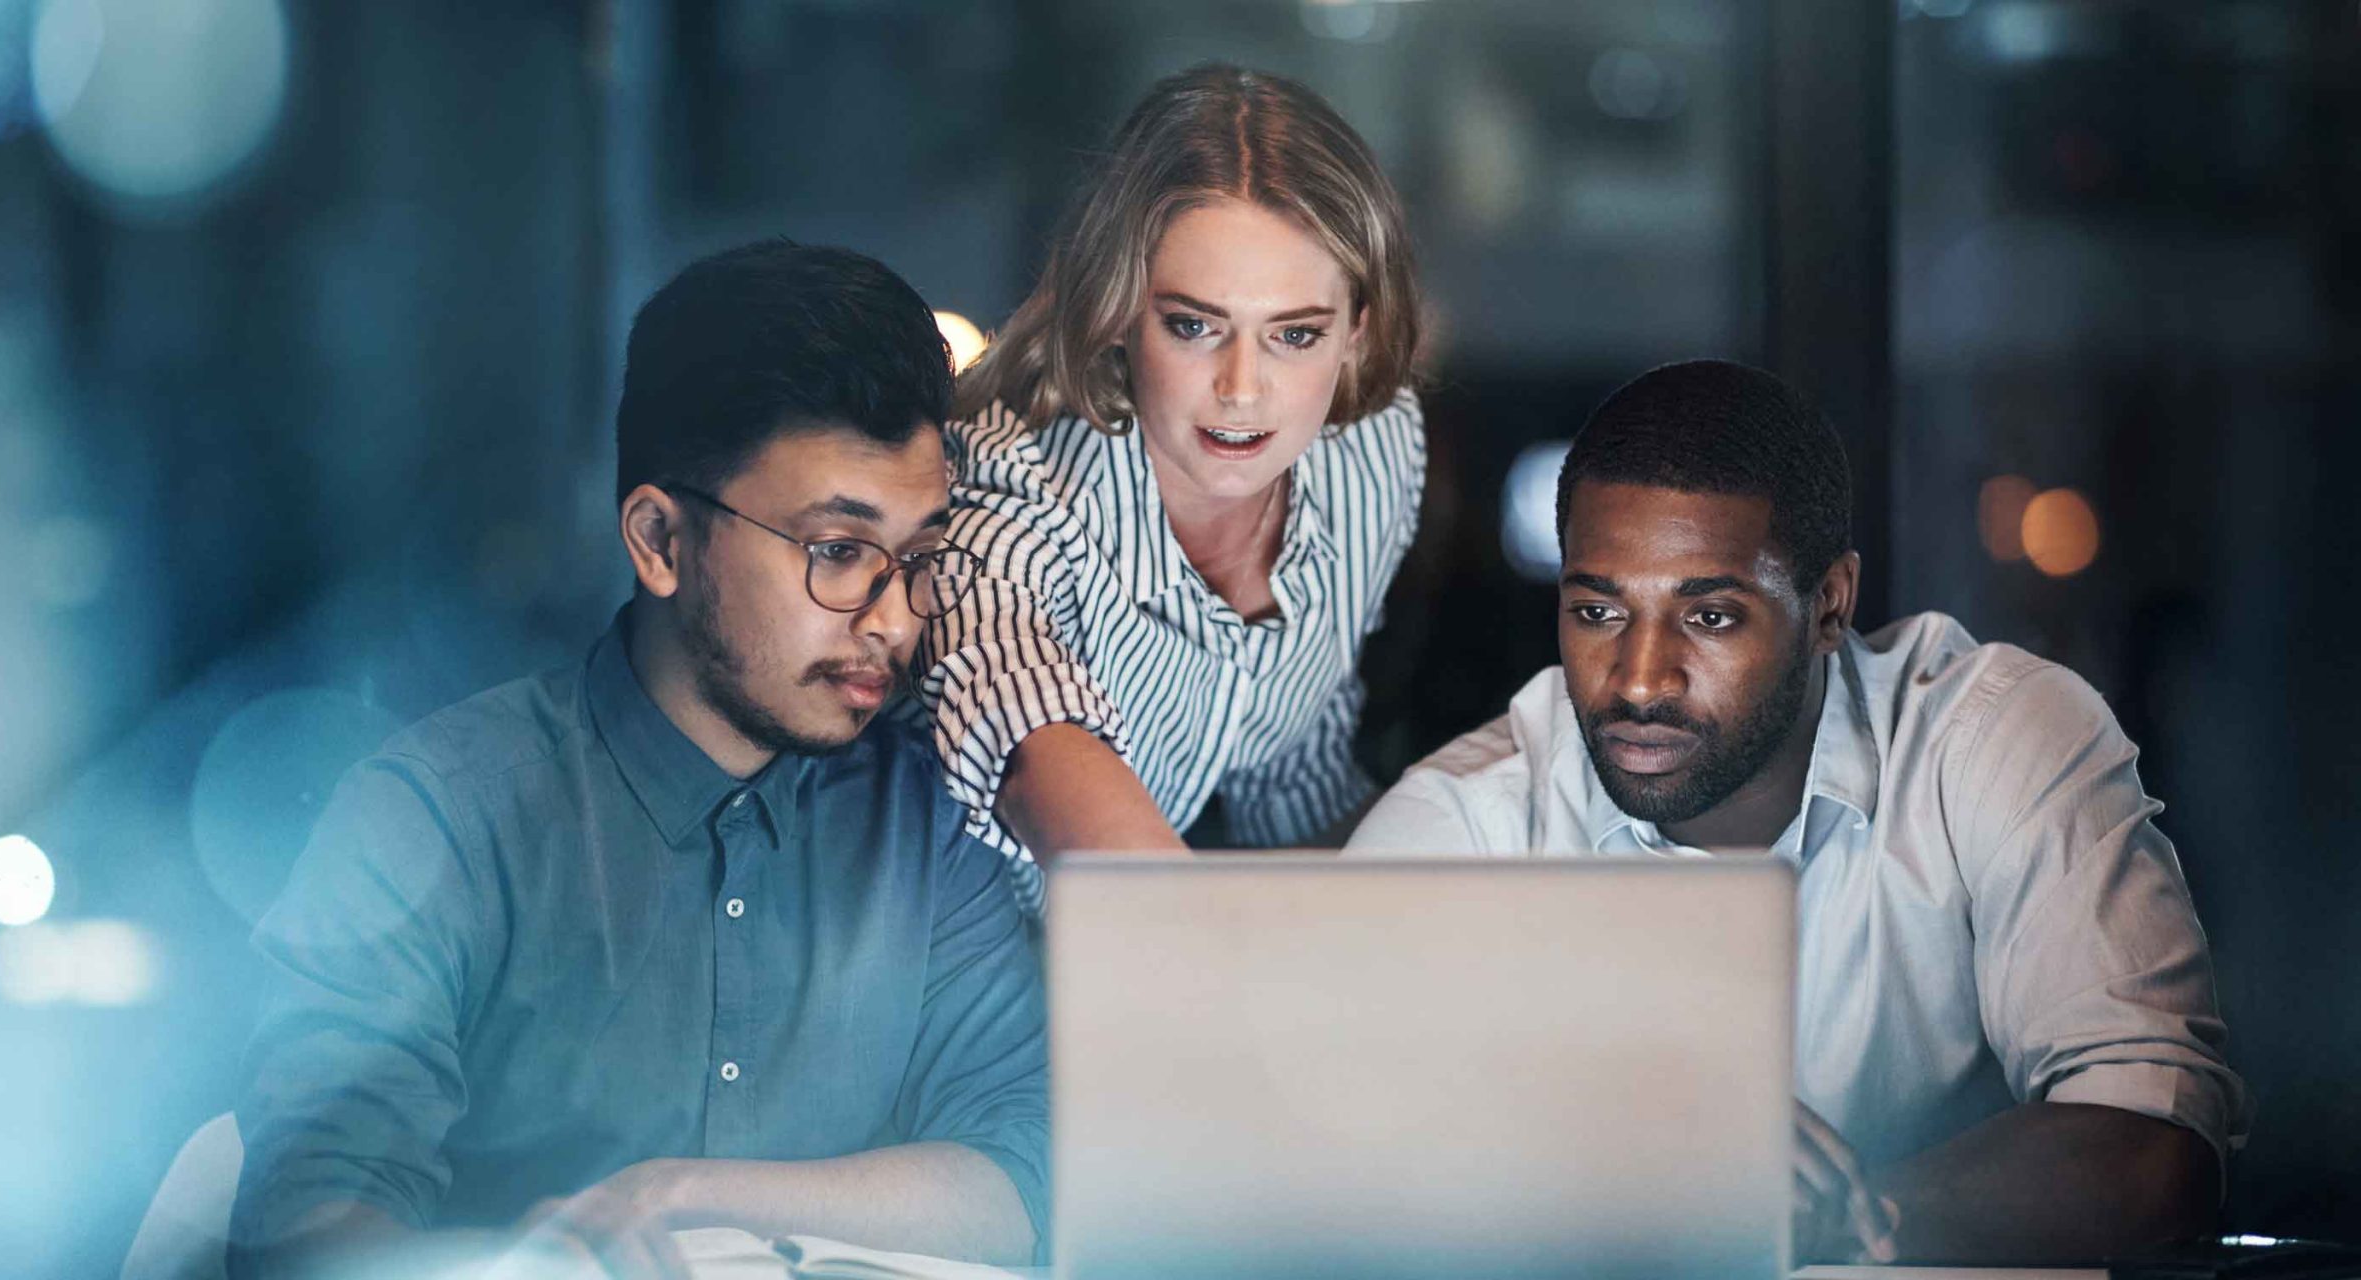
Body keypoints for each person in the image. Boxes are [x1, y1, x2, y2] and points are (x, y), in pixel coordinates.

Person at [228, 242, 1047, 1280]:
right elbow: (304, 1225)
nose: (893, 617)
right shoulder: (437, 820)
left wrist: (683, 1196)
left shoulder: (925, 822)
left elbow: (1024, 1179)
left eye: (920, 556)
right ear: (660, 538)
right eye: (838, 550)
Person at [1350, 360, 2246, 1265]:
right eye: (1597, 611)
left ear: (1829, 605)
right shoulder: (1459, 831)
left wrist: (1820, 1222)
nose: (1640, 679)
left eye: (1709, 619)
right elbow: (1311, 1175)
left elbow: (2157, 1143)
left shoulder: (1986, 744)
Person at [918, 63, 1428, 909]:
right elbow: (1026, 730)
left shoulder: (1370, 451)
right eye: (1193, 326)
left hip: (1165, 957)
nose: (1242, 387)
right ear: (1120, 307)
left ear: (1357, 333)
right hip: (958, 978)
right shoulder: (1011, 488)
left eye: (1294, 335)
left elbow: (1292, 777)